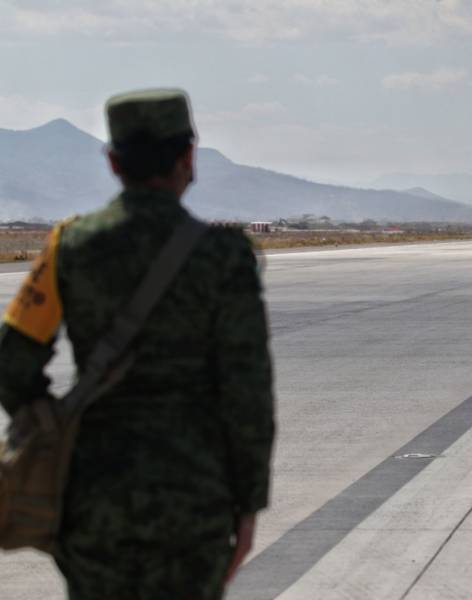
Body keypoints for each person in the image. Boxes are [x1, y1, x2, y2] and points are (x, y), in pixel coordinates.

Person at [0, 89, 275, 599]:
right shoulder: (225, 259)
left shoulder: (71, 245)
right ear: (188, 157)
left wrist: (44, 421)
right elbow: (248, 394)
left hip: (93, 500)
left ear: (112, 162)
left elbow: (11, 356)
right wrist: (248, 504)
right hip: (193, 502)